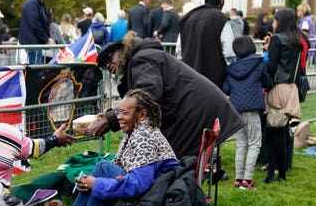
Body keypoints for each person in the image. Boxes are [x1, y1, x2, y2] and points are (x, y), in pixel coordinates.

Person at [54, 89, 179, 206]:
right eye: (118, 111)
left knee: (102, 175)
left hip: (153, 202)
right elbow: (122, 169)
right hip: (153, 195)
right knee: (101, 178)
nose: (119, 117)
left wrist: (95, 183)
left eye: (125, 113)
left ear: (141, 114)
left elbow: (138, 186)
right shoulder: (136, 131)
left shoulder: (144, 137)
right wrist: (94, 183)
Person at [91, 31, 244, 161]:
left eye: (109, 58)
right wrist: (111, 115)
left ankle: (177, 194)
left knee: (170, 162)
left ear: (123, 50)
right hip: (193, 109)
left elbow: (147, 95)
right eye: (104, 65)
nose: (108, 65)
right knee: (169, 160)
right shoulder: (143, 57)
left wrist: (113, 118)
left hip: (194, 111)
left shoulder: (141, 59)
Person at [223, 36, 272, 189]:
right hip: (252, 109)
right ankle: (248, 180)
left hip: (236, 108)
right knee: (254, 143)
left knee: (241, 144)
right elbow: (267, 82)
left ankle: (238, 179)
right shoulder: (258, 63)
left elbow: (226, 89)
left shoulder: (232, 68)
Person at [264, 8, 305, 183]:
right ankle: (282, 172)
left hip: (277, 88)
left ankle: (271, 172)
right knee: (282, 133)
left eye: (275, 20)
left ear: (281, 21)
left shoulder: (277, 40)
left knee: (272, 133)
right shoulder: (297, 41)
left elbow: (272, 67)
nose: (273, 23)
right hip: (291, 89)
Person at [179, 0, 235, 89]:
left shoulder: (187, 18)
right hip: (213, 80)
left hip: (188, 77)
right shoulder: (221, 19)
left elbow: (179, 50)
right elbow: (229, 51)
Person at [19, 0, 54, 65]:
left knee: (36, 66)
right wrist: (46, 39)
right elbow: (35, 24)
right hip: (32, 42)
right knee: (35, 67)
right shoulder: (32, 3)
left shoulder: (39, 3)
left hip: (35, 42)